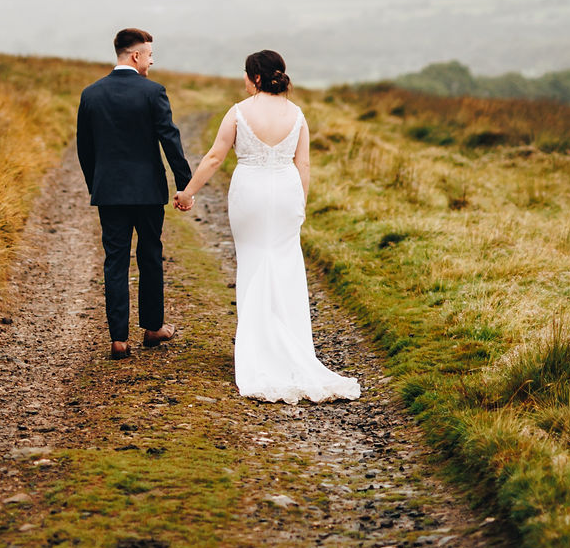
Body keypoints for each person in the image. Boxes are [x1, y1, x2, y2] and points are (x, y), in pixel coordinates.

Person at [175, 49, 359, 404]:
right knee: (285, 263)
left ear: (256, 78)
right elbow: (303, 165)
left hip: (251, 193)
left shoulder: (239, 112)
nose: (244, 82)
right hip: (287, 193)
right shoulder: (297, 114)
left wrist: (187, 193)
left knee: (254, 259)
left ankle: (259, 346)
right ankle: (289, 344)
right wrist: (300, 205)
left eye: (246, 75)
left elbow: (215, 157)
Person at [77, 28, 193, 360]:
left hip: (109, 192)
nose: (152, 62)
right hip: (147, 192)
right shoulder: (152, 92)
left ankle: (118, 339)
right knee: (150, 255)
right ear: (136, 55)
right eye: (151, 55)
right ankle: (153, 328)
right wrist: (184, 184)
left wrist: (95, 184)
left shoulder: (91, 94)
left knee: (115, 260)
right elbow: (170, 140)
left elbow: (85, 148)